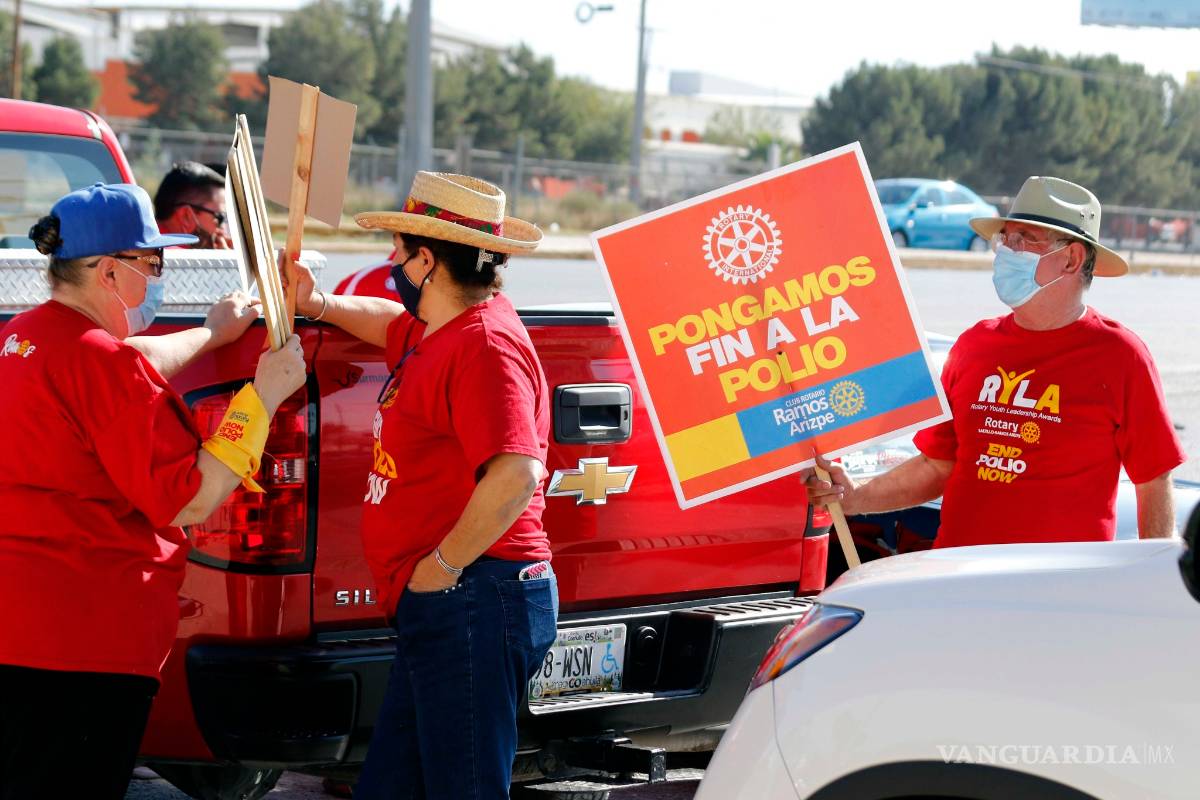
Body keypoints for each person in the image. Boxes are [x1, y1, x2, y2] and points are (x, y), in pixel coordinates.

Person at [0, 183, 305, 799]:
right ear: (109, 271)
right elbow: (190, 497)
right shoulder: (102, 366)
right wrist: (261, 399)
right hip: (86, 644)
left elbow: (130, 356)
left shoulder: (22, 337)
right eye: (153, 264)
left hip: (19, 630)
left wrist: (210, 333)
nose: (160, 277)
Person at [288, 171, 557, 799]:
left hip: (471, 596)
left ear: (427, 260)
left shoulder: (483, 345)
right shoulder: (442, 329)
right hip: (453, 602)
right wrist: (318, 303)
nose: (390, 264)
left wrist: (439, 567)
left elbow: (517, 475)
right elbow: (387, 322)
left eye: (398, 252)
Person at [806, 176, 1186, 547]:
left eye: (1024, 240)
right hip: (959, 582)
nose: (1006, 250)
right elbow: (938, 465)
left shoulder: (1121, 356)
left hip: (1060, 596)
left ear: (1071, 259)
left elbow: (1153, 480)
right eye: (1005, 237)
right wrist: (855, 497)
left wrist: (1155, 579)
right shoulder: (975, 345)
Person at [154, 161, 232, 249]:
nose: (223, 230)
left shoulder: (147, 245)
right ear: (186, 215)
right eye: (220, 217)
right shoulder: (172, 256)